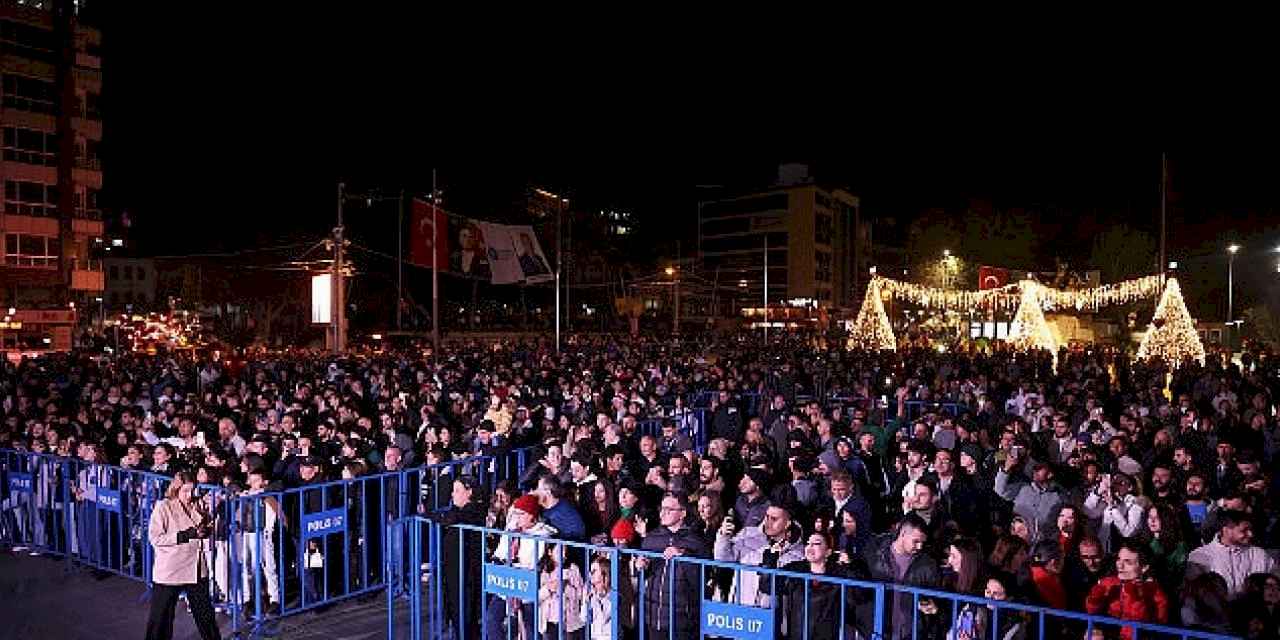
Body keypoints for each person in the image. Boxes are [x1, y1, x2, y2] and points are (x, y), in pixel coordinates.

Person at [144, 471, 221, 640]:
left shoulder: (197, 504)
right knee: (161, 618)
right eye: (185, 491)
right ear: (176, 489)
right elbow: (155, 538)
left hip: (196, 568)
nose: (190, 495)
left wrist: (207, 529)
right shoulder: (163, 506)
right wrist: (185, 535)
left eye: (192, 490)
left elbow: (207, 527)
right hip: (171, 569)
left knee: (205, 615)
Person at [635, 492, 709, 640]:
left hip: (683, 620)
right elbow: (643, 575)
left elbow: (701, 578)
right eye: (662, 508)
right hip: (654, 616)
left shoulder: (696, 541)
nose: (663, 513)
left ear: (682, 513)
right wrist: (640, 566)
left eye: (669, 509)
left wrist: (683, 555)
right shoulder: (651, 539)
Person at [864, 513, 941, 640]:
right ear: (903, 533)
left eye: (922, 542)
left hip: (911, 633)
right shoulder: (873, 553)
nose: (920, 547)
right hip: (875, 630)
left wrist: (933, 606)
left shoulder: (928, 564)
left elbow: (937, 598)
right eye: (916, 541)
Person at [714, 503, 804, 607]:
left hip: (772, 615)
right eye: (767, 516)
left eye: (774, 519)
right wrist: (723, 536)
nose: (767, 522)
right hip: (739, 608)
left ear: (788, 523)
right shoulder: (747, 534)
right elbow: (722, 559)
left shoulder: (798, 554)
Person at [1084, 541, 1169, 639]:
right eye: (1119, 559)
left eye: (1128, 562)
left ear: (1144, 567)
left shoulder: (1154, 592)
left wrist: (1136, 598)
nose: (1120, 565)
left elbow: (1158, 626)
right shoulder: (1108, 583)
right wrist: (1095, 599)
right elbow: (1092, 613)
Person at [1186, 509, 1277, 598]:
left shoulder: (1260, 555)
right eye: (1244, 530)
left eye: (1250, 529)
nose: (1250, 534)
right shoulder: (1199, 556)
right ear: (1226, 530)